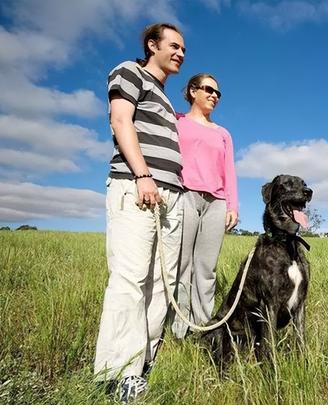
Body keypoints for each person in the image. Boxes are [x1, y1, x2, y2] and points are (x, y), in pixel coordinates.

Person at [93, 23, 186, 402]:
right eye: (174, 46)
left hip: (170, 195)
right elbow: (120, 121)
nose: (181, 53)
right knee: (130, 279)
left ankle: (142, 365)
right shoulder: (130, 72)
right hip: (138, 186)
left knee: (161, 284)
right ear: (152, 45)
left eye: (184, 49)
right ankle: (117, 374)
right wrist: (143, 174)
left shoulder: (164, 97)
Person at [171, 73, 239, 339]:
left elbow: (229, 171)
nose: (214, 96)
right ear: (192, 91)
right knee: (182, 265)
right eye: (209, 89)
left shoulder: (223, 133)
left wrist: (232, 205)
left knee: (206, 268)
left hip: (216, 203)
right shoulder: (177, 122)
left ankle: (203, 328)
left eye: (218, 93)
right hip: (185, 195)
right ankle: (179, 329)